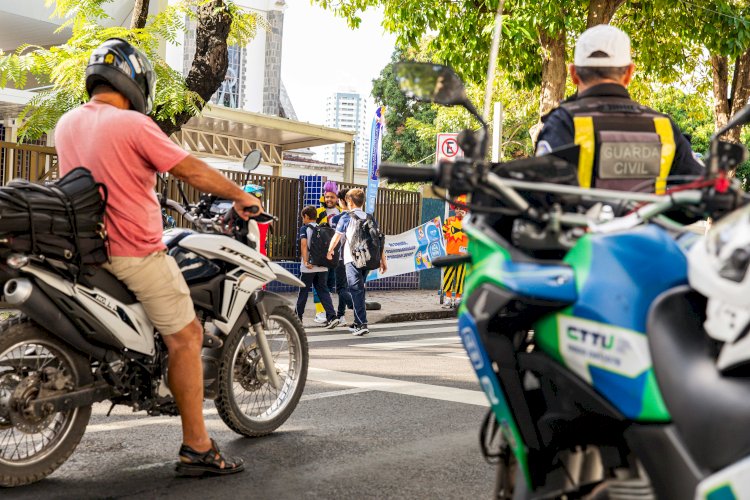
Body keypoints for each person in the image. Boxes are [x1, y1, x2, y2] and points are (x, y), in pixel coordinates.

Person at [54, 38, 254, 476]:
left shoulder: (66, 123)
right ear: (133, 79)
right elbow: (191, 170)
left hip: (85, 252)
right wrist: (240, 195)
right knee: (187, 336)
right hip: (134, 252)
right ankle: (198, 447)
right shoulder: (134, 125)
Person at [536, 25, 704, 193]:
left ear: (573, 73)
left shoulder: (564, 122)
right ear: (630, 72)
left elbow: (541, 193)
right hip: (650, 220)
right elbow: (702, 192)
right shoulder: (663, 126)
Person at [326, 188, 387, 336]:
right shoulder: (370, 217)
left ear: (350, 202)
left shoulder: (346, 218)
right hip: (369, 258)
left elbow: (336, 237)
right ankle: (356, 322)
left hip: (352, 259)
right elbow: (379, 239)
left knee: (356, 290)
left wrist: (329, 251)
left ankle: (361, 324)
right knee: (360, 290)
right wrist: (382, 260)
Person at [296, 205, 338, 329]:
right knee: (323, 291)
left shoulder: (305, 228)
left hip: (309, 267)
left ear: (306, 217)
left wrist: (305, 261)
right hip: (323, 266)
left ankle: (297, 319)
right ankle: (332, 316)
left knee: (303, 292)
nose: (302, 220)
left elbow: (304, 245)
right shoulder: (322, 229)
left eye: (303, 217)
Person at [312, 180, 342, 323]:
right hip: (320, 255)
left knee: (330, 284)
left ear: (337, 198)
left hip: (336, 255)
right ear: (323, 197)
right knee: (319, 283)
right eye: (327, 196)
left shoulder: (341, 213)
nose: (329, 199)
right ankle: (320, 312)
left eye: (332, 197)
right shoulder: (318, 212)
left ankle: (329, 311)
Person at [329, 187, 353, 325]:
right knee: (346, 286)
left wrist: (329, 251)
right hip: (357, 258)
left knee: (341, 288)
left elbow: (336, 238)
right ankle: (341, 315)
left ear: (342, 201)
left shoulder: (338, 218)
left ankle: (356, 306)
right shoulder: (359, 216)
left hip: (342, 256)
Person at [442, 197, 469, 309]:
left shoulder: (469, 222)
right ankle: (448, 298)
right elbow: (443, 234)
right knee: (448, 276)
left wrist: (465, 219)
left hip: (463, 255)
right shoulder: (449, 221)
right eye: (457, 208)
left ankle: (458, 298)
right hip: (451, 253)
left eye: (461, 208)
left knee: (460, 277)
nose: (458, 210)